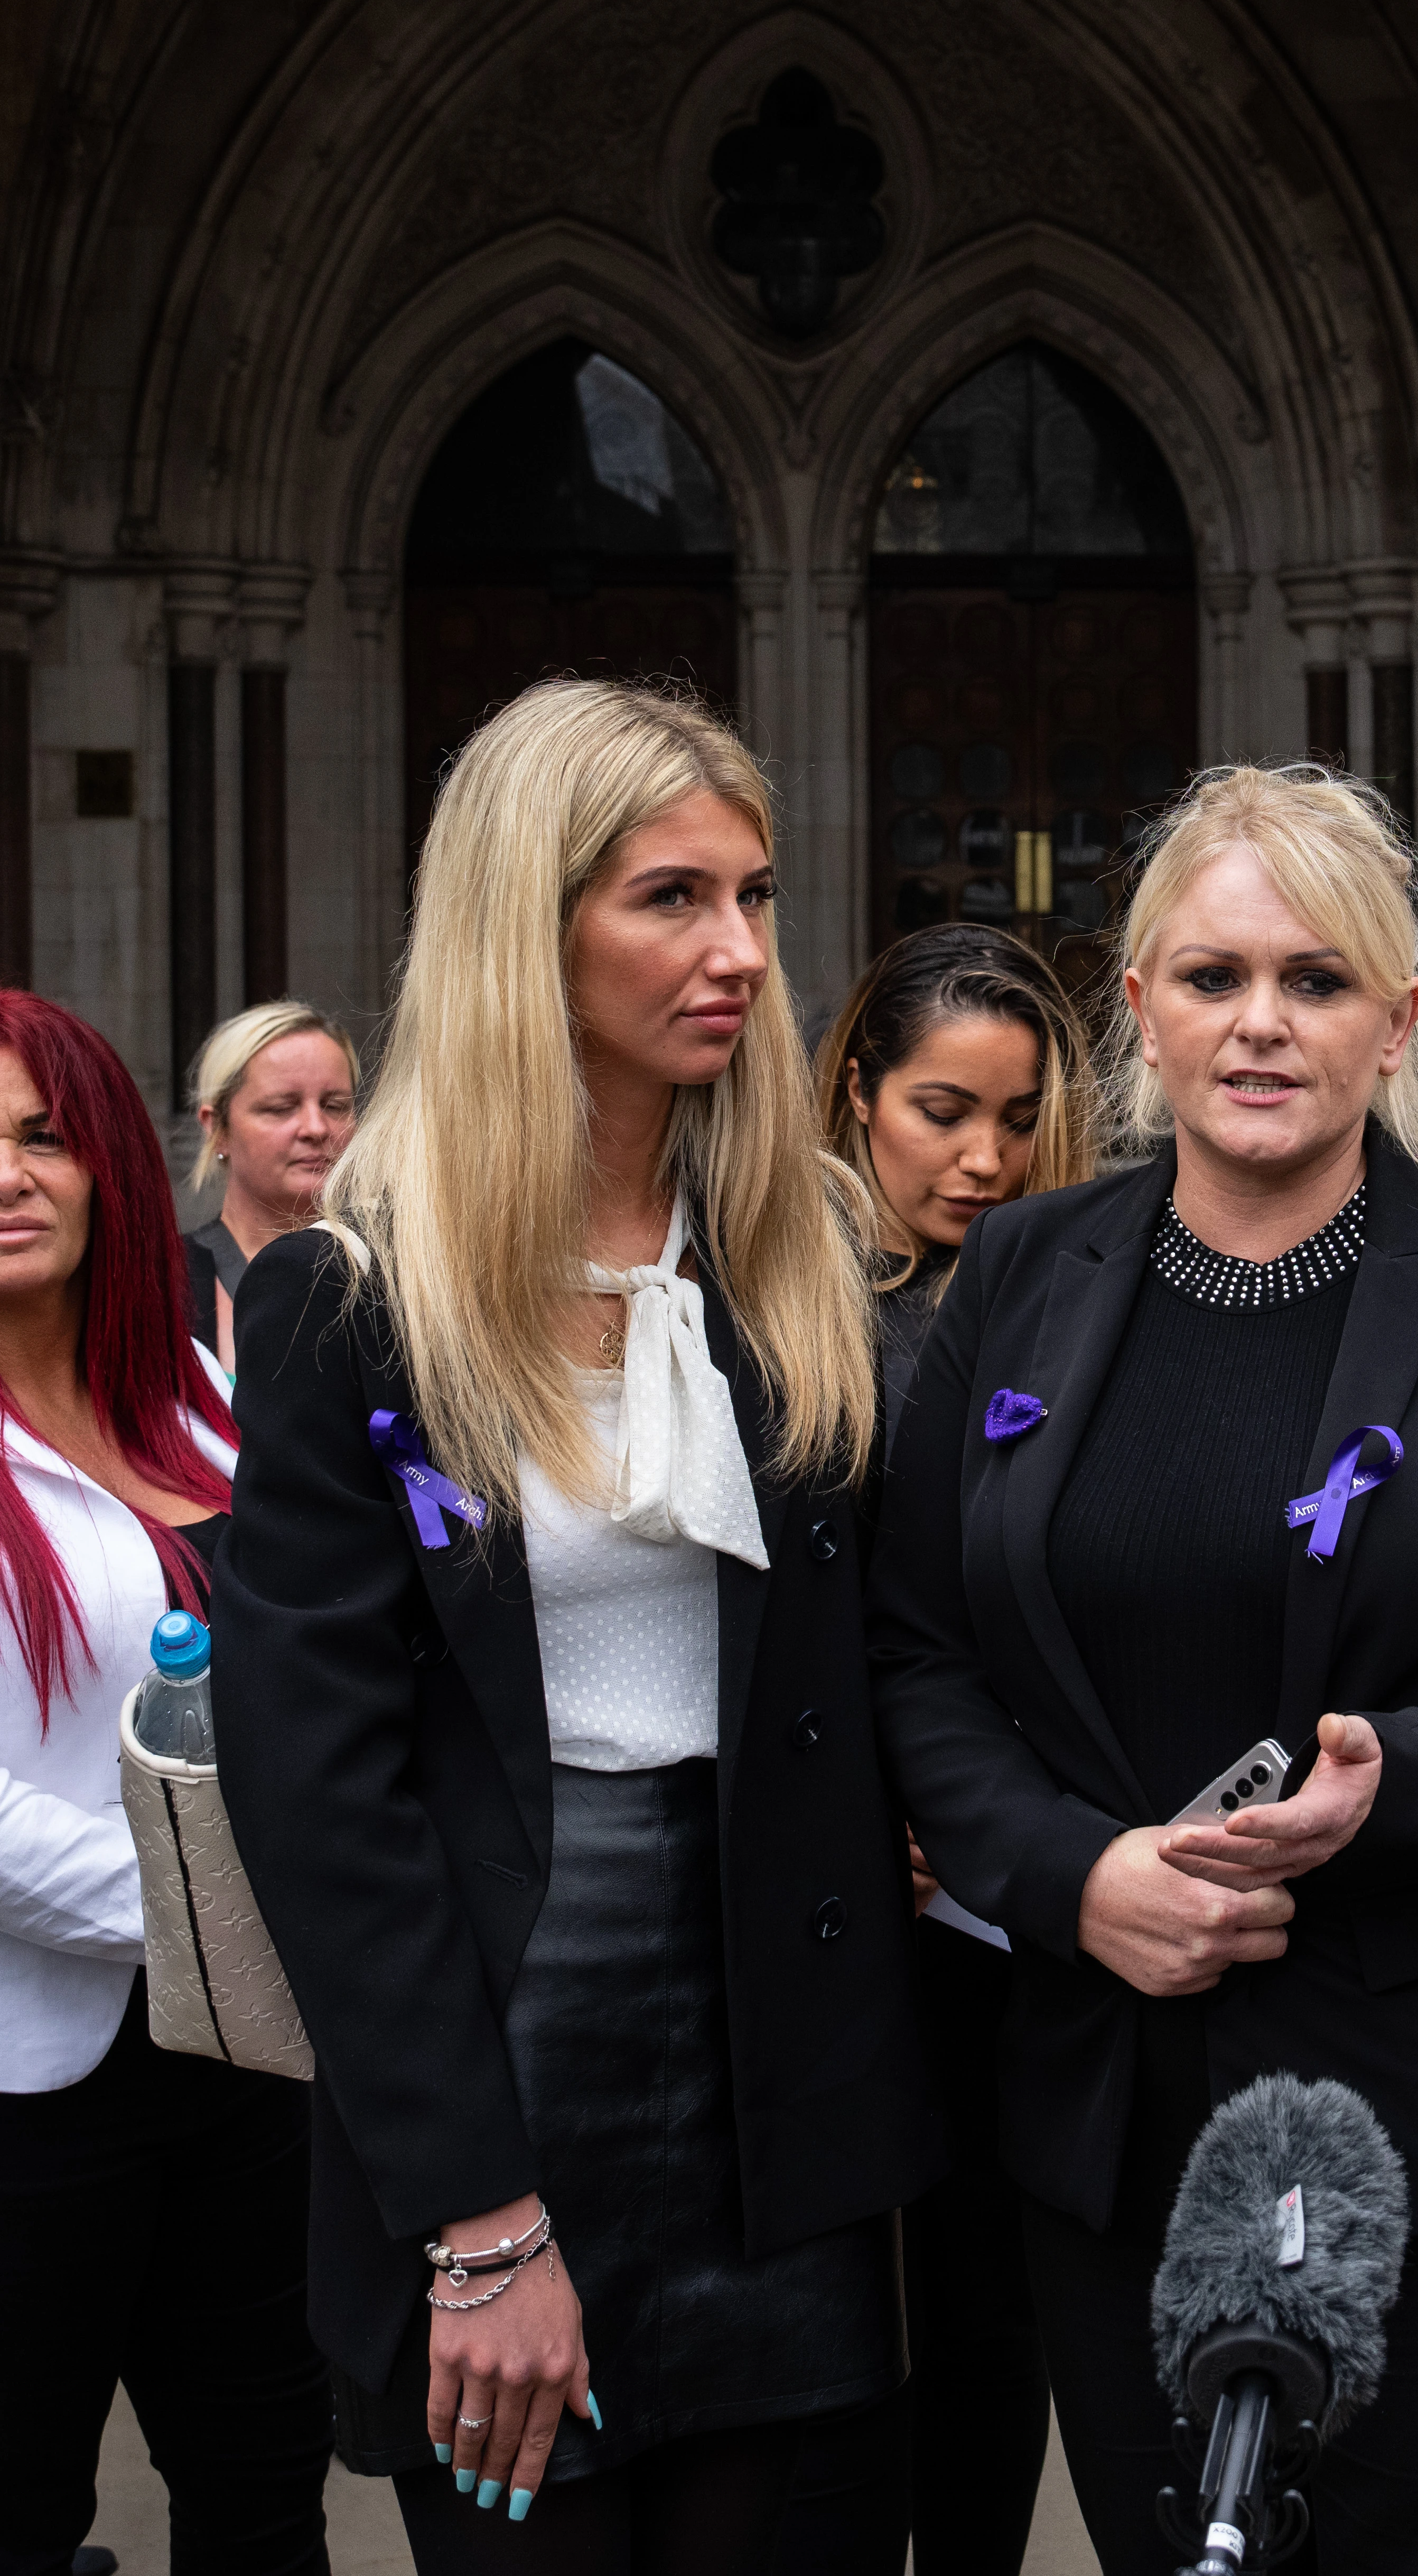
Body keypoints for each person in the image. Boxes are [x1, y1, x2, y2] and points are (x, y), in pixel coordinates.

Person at [874, 762, 1418, 2576]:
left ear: (1395, 1024)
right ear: (1139, 1006)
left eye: (1316, 980)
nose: (1261, 1022)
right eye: (1214, 974)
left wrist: (1402, 1777)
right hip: (1114, 2122)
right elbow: (915, 1647)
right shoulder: (1018, 1269)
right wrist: (1069, 1876)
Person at [219, 679, 931, 2574]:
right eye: (670, 897)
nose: (739, 951)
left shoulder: (798, 1268)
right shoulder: (350, 1304)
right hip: (507, 2069)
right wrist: (477, 2217)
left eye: (755, 895)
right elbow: (323, 1797)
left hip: (779, 2075)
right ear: (526, 920)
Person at [0, 987, 324, 2576]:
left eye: (44, 1137)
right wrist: (228, 1908)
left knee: (263, 2493)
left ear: (110, 1170)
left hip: (241, 2068)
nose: (2, 1176)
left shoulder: (205, 1401)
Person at [810, 922, 1098, 2576]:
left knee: (996, 2312)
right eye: (940, 1111)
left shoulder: (1076, 1302)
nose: (983, 1158)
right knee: (855, 2318)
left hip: (1022, 1893)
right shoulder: (787, 1308)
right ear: (857, 1098)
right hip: (855, 1896)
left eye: (1015, 1113)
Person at [185, 1005, 360, 1375]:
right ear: (217, 1128)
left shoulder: (395, 1275)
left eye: (335, 1106)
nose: (316, 1128)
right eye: (281, 1108)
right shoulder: (164, 1282)